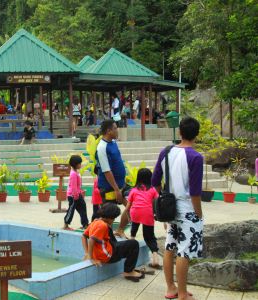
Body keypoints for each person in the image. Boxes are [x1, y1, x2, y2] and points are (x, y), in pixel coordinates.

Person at [151, 117, 203, 300]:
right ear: (196, 135)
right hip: (187, 209)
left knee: (170, 247)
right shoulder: (196, 157)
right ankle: (182, 293)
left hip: (170, 209)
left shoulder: (166, 152)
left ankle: (171, 288)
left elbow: (155, 182)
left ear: (180, 132)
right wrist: (199, 214)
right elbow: (195, 192)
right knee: (184, 251)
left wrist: (164, 198)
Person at [82, 203, 143, 282]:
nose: (114, 220)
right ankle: (129, 271)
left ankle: (129, 270)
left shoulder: (95, 222)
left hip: (102, 251)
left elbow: (83, 236)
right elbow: (91, 240)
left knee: (112, 234)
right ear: (110, 217)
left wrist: (86, 253)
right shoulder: (103, 226)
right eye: (114, 218)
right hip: (108, 256)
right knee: (134, 244)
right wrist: (91, 258)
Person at [95, 120, 129, 239]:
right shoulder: (102, 147)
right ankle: (103, 238)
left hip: (121, 184)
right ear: (108, 131)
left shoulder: (113, 142)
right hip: (109, 187)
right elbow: (106, 171)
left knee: (132, 207)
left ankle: (120, 230)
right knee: (108, 216)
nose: (117, 130)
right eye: (115, 128)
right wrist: (116, 189)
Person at [125, 168, 161, 269]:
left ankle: (131, 244)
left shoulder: (134, 190)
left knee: (133, 231)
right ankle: (155, 259)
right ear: (150, 178)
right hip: (147, 213)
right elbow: (158, 202)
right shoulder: (153, 190)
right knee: (149, 237)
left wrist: (129, 218)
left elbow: (127, 208)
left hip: (135, 212)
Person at [63, 155, 89, 230]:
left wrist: (79, 193)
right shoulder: (73, 174)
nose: (80, 165)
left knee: (83, 208)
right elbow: (73, 186)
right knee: (71, 210)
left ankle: (85, 224)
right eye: (79, 163)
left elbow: (77, 186)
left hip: (78, 194)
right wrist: (76, 196)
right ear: (75, 164)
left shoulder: (76, 172)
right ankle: (66, 224)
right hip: (73, 196)